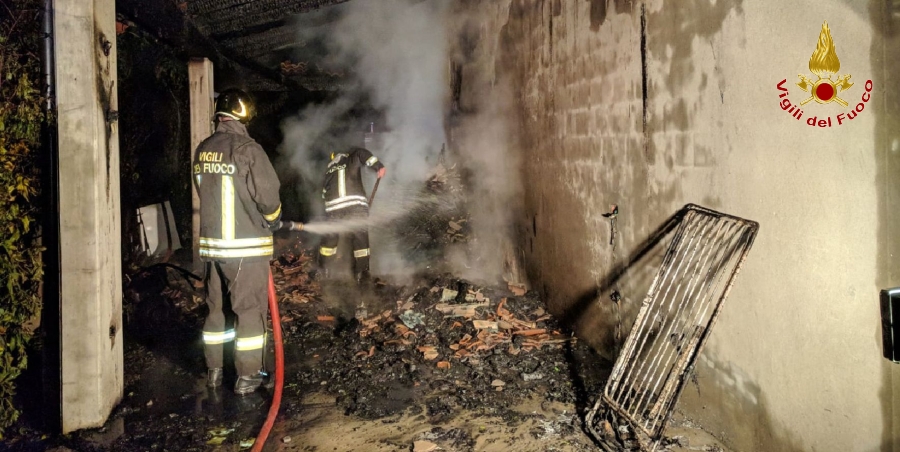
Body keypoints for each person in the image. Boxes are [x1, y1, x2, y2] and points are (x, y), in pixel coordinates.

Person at [192, 88, 282, 395]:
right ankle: (248, 376)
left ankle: (215, 372)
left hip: (211, 249)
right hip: (244, 248)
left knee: (216, 309)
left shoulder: (203, 149)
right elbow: (268, 196)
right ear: (245, 113)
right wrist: (273, 220)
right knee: (249, 310)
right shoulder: (247, 149)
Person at [318, 146, 386, 284]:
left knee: (330, 239)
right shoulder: (351, 157)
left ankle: (324, 270)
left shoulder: (328, 170)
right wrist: (378, 166)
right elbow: (362, 153)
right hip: (355, 205)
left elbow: (324, 193)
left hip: (334, 208)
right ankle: (362, 273)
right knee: (360, 238)